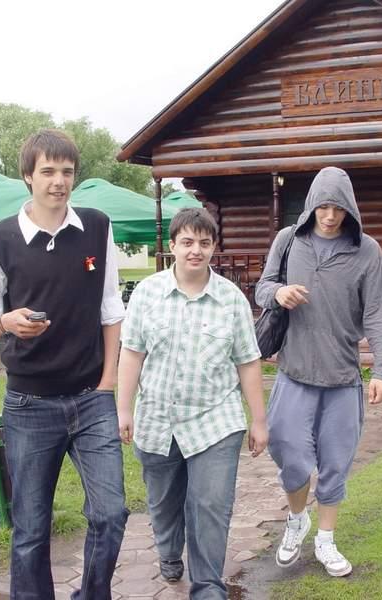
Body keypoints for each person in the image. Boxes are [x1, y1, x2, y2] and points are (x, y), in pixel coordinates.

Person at [0, 129, 128, 600]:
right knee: (31, 529)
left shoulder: (96, 226)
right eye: (48, 171)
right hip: (29, 404)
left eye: (67, 172)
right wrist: (7, 322)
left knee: (111, 513)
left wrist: (107, 383)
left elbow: (111, 310)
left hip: (91, 399)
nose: (59, 181)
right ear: (27, 176)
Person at [117, 207, 268, 599]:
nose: (195, 250)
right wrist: (124, 408)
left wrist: (259, 420)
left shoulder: (231, 300)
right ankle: (169, 552)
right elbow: (131, 353)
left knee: (210, 505)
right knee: (164, 503)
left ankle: (207, 587)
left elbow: (248, 361)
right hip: (158, 419)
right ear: (172, 246)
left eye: (203, 242)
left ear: (214, 246)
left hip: (216, 419)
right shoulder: (147, 294)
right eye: (187, 242)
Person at [255, 166, 382, 578]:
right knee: (290, 454)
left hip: (342, 379)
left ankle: (326, 539)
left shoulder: (366, 250)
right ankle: (297, 518)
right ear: (311, 204)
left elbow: (379, 312)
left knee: (335, 463)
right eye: (323, 207)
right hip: (293, 373)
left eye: (338, 208)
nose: (330, 216)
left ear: (349, 208)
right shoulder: (288, 240)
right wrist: (279, 292)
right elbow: (262, 287)